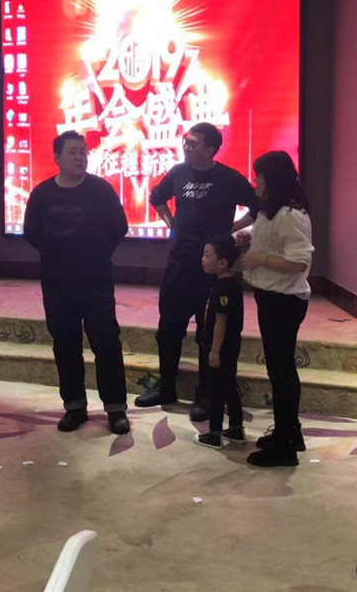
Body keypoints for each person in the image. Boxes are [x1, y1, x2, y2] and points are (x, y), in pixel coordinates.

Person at [135, 122, 257, 419]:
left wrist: (231, 229)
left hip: (213, 270)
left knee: (208, 332)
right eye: (186, 142)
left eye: (193, 144)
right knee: (168, 329)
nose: (186, 147)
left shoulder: (228, 178)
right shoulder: (178, 172)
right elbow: (157, 197)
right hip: (178, 264)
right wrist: (171, 224)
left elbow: (257, 206)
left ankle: (206, 394)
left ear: (211, 149)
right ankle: (166, 387)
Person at [23, 131, 131, 435]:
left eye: (83, 151)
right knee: (65, 344)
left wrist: (95, 254)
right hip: (57, 282)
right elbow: (32, 232)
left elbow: (119, 227)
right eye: (72, 152)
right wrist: (60, 254)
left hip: (96, 280)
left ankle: (116, 409)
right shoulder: (42, 194)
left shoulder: (102, 190)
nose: (79, 157)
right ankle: (74, 406)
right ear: (57, 157)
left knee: (106, 342)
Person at [238, 151, 314, 468]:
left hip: (284, 300)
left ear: (272, 179)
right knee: (278, 370)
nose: (255, 181)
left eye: (259, 176)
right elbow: (273, 241)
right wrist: (250, 239)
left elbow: (299, 262)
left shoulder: (289, 214)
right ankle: (289, 433)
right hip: (271, 296)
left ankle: (284, 446)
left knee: (281, 373)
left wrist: (261, 259)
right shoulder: (271, 211)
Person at [193, 236, 245, 450]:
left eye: (207, 255)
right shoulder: (229, 283)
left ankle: (215, 434)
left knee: (215, 390)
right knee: (229, 385)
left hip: (220, 346)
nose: (202, 259)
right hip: (230, 345)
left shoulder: (223, 288)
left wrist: (214, 351)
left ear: (222, 262)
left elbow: (220, 323)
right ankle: (236, 427)